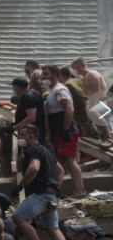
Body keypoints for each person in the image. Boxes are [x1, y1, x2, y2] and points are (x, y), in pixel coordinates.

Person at [11, 125, 69, 240]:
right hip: (52, 196)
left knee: (18, 217)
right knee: (53, 228)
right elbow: (61, 171)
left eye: (21, 135)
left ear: (30, 137)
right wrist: (55, 189)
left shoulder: (32, 150)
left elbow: (34, 168)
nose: (19, 138)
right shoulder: (46, 151)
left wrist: (20, 187)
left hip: (41, 194)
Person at [43, 64, 85, 197]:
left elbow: (68, 109)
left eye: (46, 74)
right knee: (65, 160)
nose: (43, 77)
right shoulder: (53, 91)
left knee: (70, 160)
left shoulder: (60, 90)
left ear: (55, 75)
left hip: (64, 131)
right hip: (58, 131)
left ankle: (80, 191)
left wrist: (66, 130)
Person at [72, 57, 113, 145]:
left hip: (104, 102)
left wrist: (92, 107)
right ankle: (107, 140)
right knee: (103, 129)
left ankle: (109, 139)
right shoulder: (84, 78)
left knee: (95, 113)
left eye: (73, 68)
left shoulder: (93, 74)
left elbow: (96, 93)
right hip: (97, 104)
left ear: (78, 66)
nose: (73, 70)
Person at [60, 66, 97, 141]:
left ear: (60, 75)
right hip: (89, 115)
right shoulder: (76, 81)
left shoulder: (66, 85)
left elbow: (82, 99)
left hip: (81, 119)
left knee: (85, 142)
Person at [10, 77, 47, 143]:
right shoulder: (28, 96)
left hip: (31, 135)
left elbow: (31, 118)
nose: (13, 89)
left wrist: (14, 128)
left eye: (13, 87)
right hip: (29, 134)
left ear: (17, 87)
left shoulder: (28, 97)